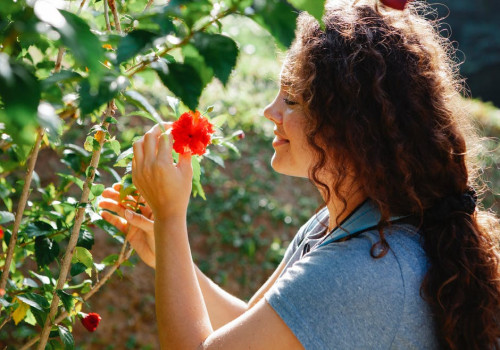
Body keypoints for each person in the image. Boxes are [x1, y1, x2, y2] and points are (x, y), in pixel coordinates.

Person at [99, 0, 500, 349]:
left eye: (291, 98)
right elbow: (260, 332)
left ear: (350, 126)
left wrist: (171, 219)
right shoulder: (344, 221)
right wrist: (170, 252)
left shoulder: (365, 267)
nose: (269, 112)